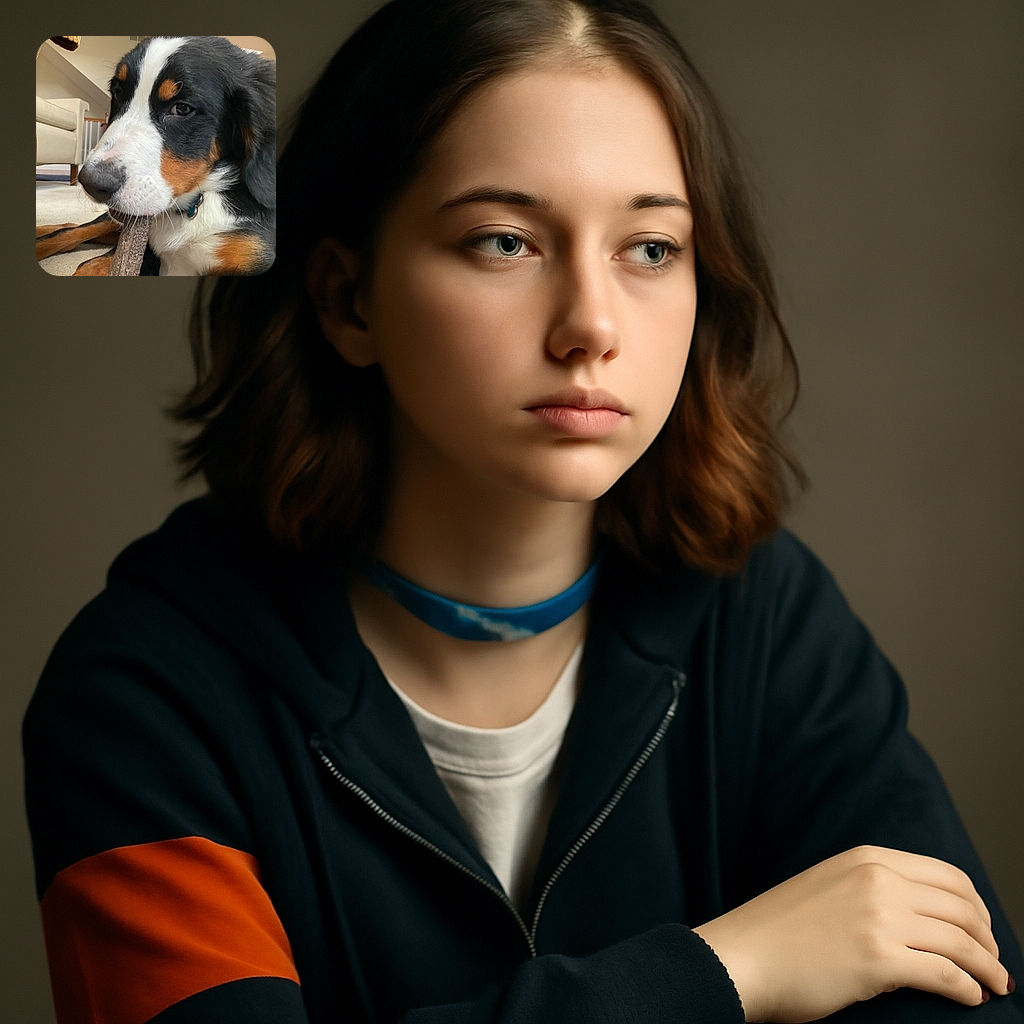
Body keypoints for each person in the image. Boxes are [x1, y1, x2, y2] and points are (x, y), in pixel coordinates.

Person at [23, 1, 1023, 1022]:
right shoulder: (144, 693)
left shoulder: (764, 618)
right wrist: (725, 973)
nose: (592, 323)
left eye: (649, 248)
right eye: (504, 240)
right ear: (346, 299)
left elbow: (966, 992)